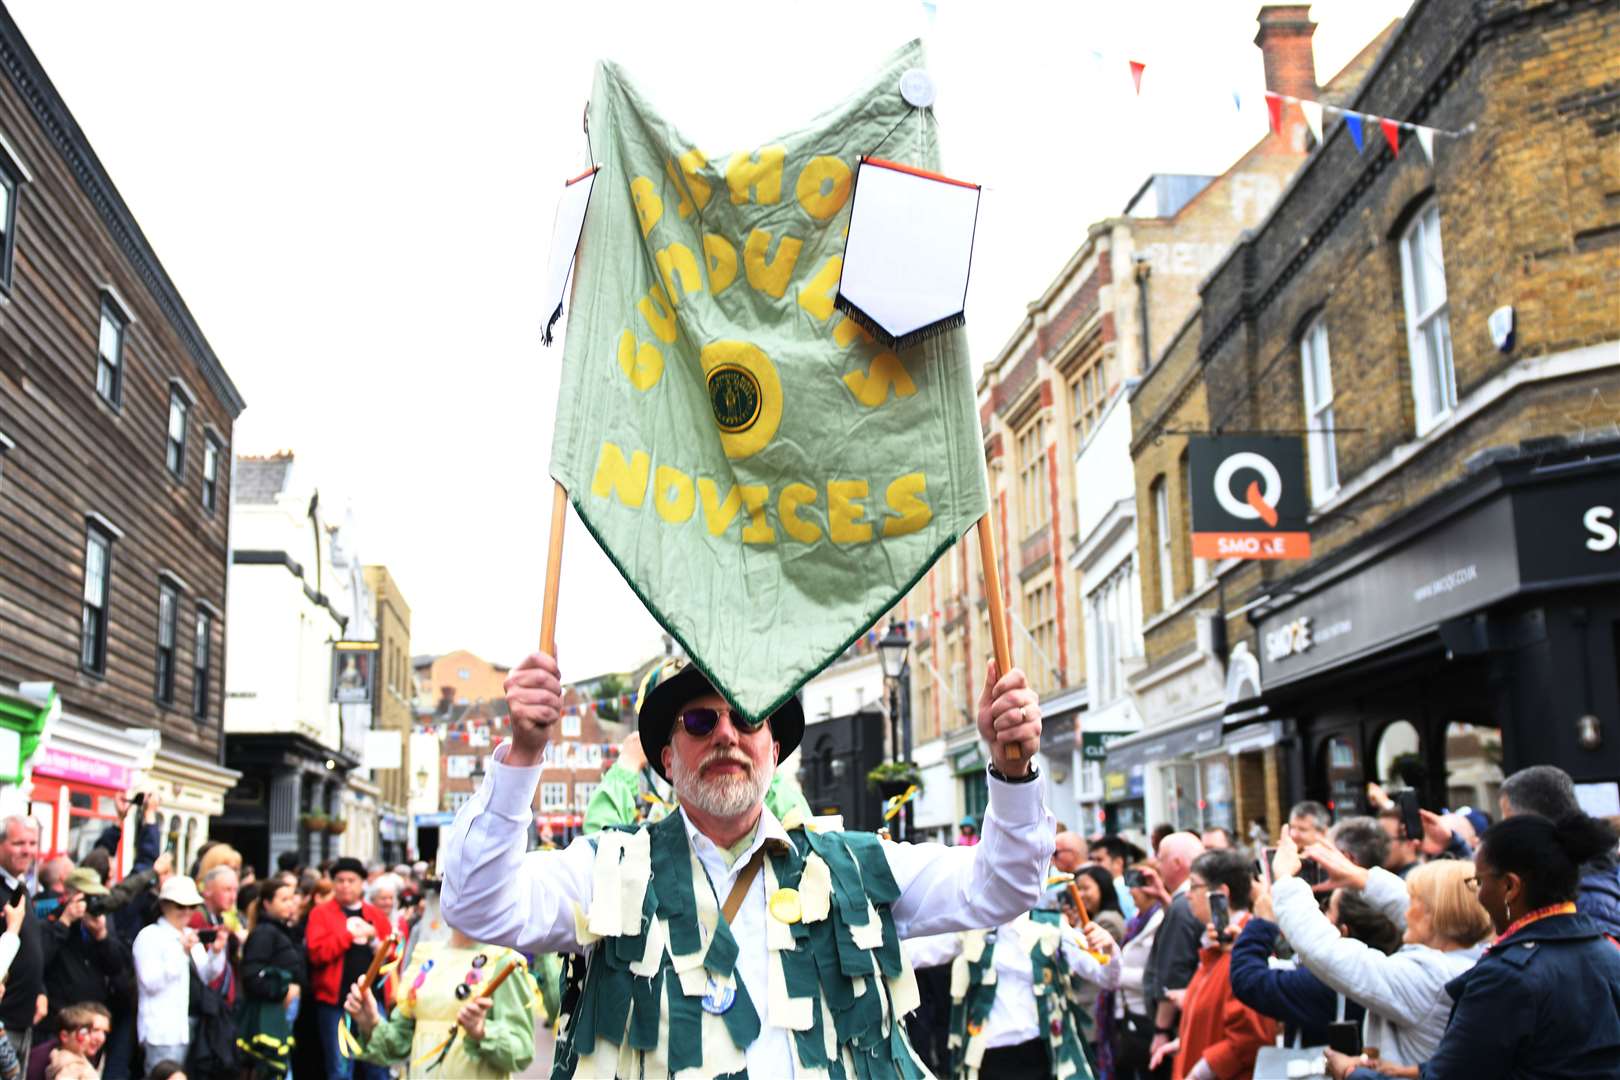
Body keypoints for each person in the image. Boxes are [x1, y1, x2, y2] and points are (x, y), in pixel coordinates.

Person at [443, 651, 1050, 1075]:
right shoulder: (605, 869)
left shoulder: (857, 868)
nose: (726, 735)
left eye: (748, 717)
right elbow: (478, 906)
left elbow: (1002, 888)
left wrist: (1013, 771)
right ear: (667, 756)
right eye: (700, 721)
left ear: (775, 749)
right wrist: (524, 754)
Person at [1331, 810, 1620, 1079]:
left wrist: (1350, 1073)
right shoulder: (1607, 952)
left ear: (1510, 887)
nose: (1478, 897)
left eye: (1479, 883)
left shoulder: (1506, 977)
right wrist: (1416, 1071)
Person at [1269, 832, 1491, 1067]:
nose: (1406, 911)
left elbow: (1326, 951)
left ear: (1431, 915)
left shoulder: (1429, 978)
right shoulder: (1475, 954)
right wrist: (1359, 877)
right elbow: (1423, 905)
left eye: (1415, 901)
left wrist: (1285, 881)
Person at [910, 910, 1119, 1077]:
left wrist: (1109, 949)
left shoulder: (1052, 926)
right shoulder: (973, 925)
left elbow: (1106, 978)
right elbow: (919, 953)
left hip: (1040, 1050)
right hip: (989, 1054)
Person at [1147, 850, 1277, 1080]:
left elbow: (1250, 1036)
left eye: (1194, 886)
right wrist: (1184, 1042)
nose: (1187, 895)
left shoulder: (1245, 949)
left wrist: (1202, 1070)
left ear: (1221, 893)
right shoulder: (1221, 946)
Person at [343, 927, 534, 1078]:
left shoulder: (504, 962)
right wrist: (371, 1023)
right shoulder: (426, 956)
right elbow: (398, 1045)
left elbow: (521, 1051)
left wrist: (482, 1032)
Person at [1233, 881, 1397, 1048]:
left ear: (1343, 931)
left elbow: (1248, 980)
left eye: (1328, 907)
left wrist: (1263, 923)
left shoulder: (1329, 982)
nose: (1322, 913)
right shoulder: (1392, 967)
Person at [1497, 764, 1620, 936]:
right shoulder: (1584, 878)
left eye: (1508, 820)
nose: (1503, 833)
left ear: (1530, 821)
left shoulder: (1588, 898)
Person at [305, 858, 392, 1080]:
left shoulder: (375, 915)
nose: (345, 885)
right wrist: (348, 935)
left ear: (362, 883)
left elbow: (391, 955)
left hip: (372, 1000)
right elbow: (317, 954)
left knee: (378, 1064)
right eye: (340, 880)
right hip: (335, 1002)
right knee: (340, 1067)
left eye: (351, 880)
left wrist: (374, 939)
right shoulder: (321, 914)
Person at [132, 876, 222, 1069]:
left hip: (189, 1028)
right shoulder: (149, 936)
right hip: (161, 1031)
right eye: (180, 906)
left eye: (192, 906)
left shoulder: (190, 934)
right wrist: (181, 953)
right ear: (164, 905)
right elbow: (150, 982)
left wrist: (216, 952)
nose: (187, 912)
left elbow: (207, 975)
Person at [38, 868, 132, 1040]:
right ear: (69, 895)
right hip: (61, 1024)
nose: (91, 903)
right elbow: (39, 960)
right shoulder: (51, 923)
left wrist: (101, 936)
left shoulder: (99, 922)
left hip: (94, 1022)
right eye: (86, 897)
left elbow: (116, 967)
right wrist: (65, 922)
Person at [1143, 833, 1206, 1078]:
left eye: (1160, 859)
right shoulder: (1184, 902)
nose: (1156, 866)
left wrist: (1161, 1030)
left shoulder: (1183, 905)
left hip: (1181, 1025)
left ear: (1177, 863)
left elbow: (1173, 972)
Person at [1098, 862, 1165, 1080]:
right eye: (1128, 883)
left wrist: (1116, 975)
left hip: (1146, 1018)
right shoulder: (1136, 921)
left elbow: (1156, 976)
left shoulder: (1160, 919)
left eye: (1136, 883)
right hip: (1128, 1016)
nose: (1129, 890)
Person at [237, 875, 304, 1079]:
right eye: (283, 900)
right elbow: (252, 975)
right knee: (274, 1068)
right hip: (271, 1010)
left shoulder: (284, 930)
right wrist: (282, 990)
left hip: (283, 1010)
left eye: (292, 898)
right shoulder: (265, 932)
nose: (290, 904)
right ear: (267, 903)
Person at [0, 817, 44, 1066]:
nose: (27, 850)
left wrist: (40, 989)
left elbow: (31, 947)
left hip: (23, 1021)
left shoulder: (20, 887)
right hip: (4, 1021)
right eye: (18, 843)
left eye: (32, 843)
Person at [43, 1001, 109, 1080]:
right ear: (64, 1036)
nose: (101, 1038)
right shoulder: (70, 1065)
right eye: (95, 1030)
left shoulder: (80, 1060)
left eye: (105, 1032)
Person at [1093, 836, 1146, 920]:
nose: (1094, 865)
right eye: (1092, 860)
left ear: (1118, 862)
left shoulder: (1121, 888)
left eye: (1100, 860)